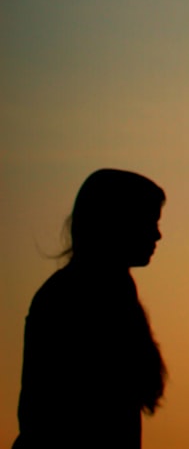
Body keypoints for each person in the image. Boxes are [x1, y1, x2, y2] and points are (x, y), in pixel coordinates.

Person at [12, 169, 168, 449]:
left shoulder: (113, 292)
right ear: (116, 223)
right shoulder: (72, 297)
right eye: (148, 221)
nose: (157, 234)